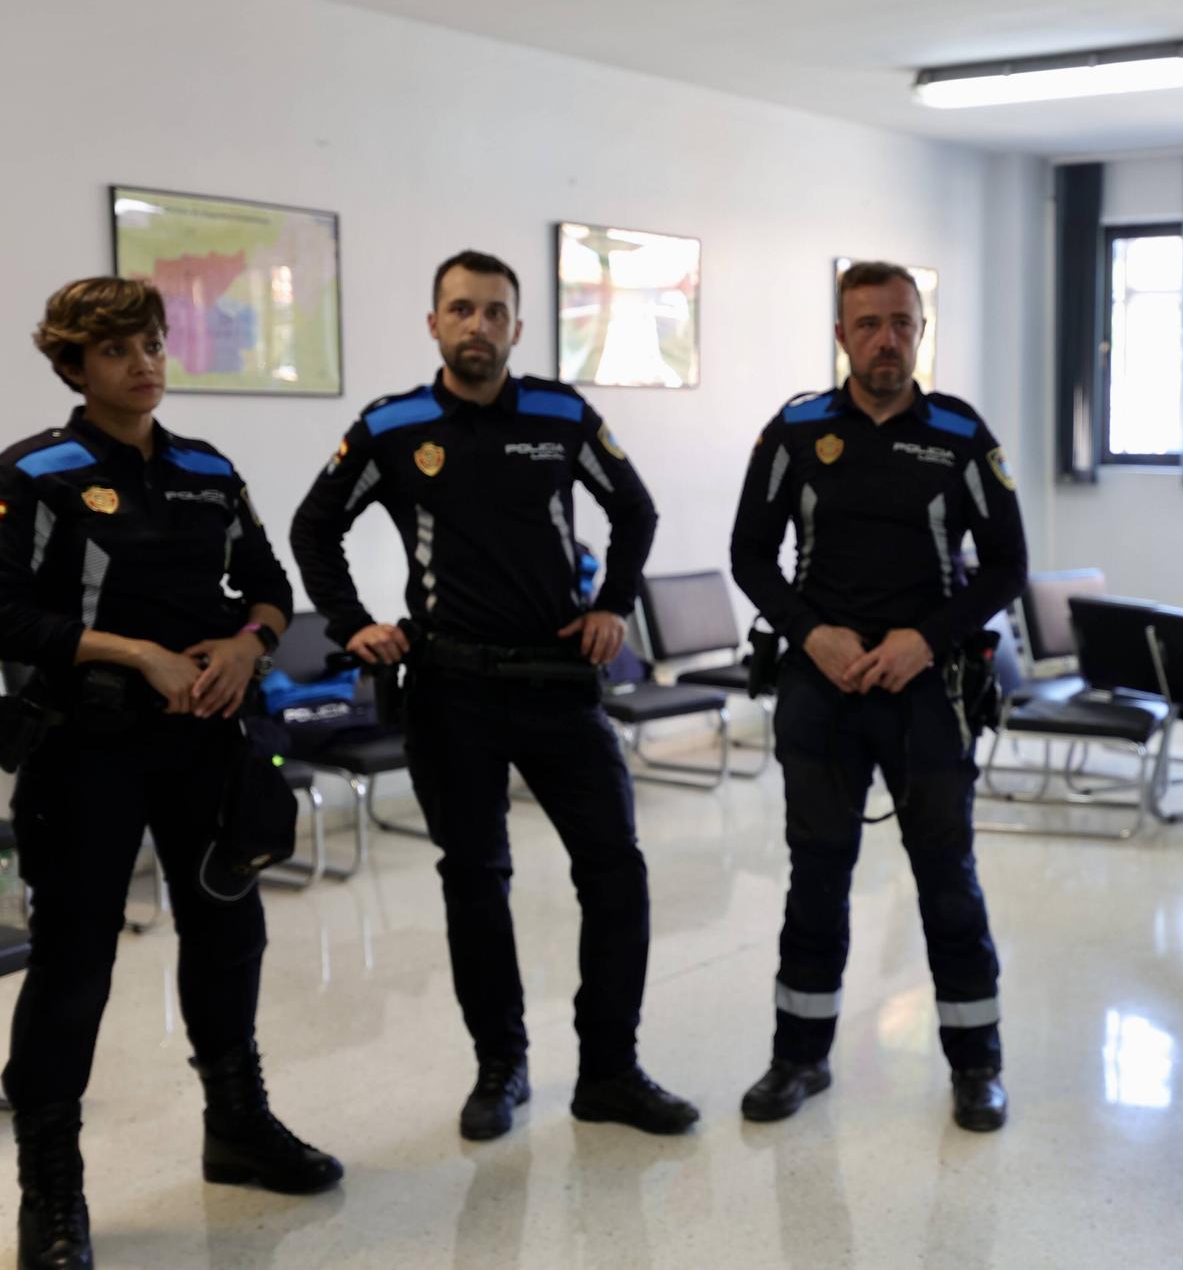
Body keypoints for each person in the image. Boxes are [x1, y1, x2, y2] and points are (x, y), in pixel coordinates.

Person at [290, 250, 696, 1141]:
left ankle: (611, 1071)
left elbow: (636, 509)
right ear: (433, 323)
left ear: (517, 326)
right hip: (450, 689)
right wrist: (354, 620)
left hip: (559, 682)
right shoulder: (393, 426)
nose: (478, 325)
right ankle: (500, 1067)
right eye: (461, 310)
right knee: (476, 880)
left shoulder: (561, 413)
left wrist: (616, 604)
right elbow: (314, 524)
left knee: (615, 870)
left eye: (495, 312)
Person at [0, 278, 341, 1270]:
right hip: (85, 748)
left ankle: (237, 1126)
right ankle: (51, 1191)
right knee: (74, 965)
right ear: (72, 366)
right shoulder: (38, 473)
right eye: (116, 351)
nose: (144, 363)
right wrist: (128, 651)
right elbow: (4, 613)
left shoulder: (204, 468)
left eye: (151, 342)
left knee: (230, 932)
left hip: (207, 744)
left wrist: (248, 646)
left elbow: (270, 589)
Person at [729, 260, 1027, 1131]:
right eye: (868, 324)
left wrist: (923, 640)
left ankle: (977, 1066)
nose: (885, 339)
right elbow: (751, 555)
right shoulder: (794, 431)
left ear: (920, 331)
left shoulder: (961, 435)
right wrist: (807, 632)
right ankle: (799, 1057)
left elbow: (1007, 565)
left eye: (901, 322)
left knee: (948, 880)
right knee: (816, 877)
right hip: (820, 690)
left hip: (926, 689)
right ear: (840, 336)